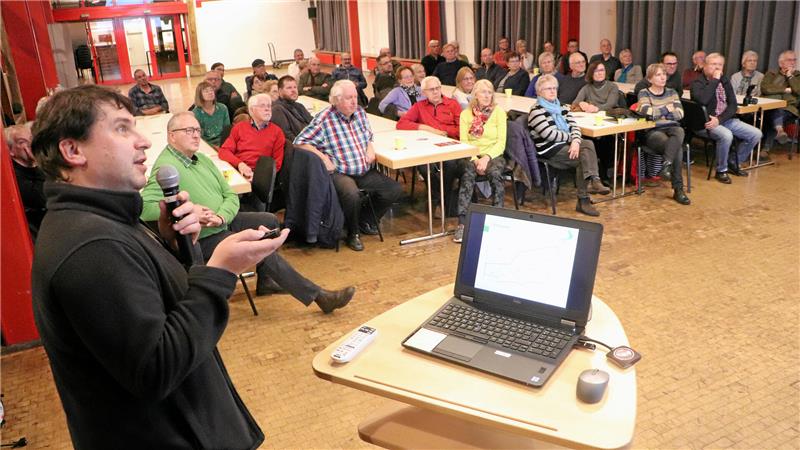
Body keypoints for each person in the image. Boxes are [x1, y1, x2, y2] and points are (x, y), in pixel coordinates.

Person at [30, 85, 278, 449]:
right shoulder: (91, 247)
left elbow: (156, 307)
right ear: (73, 150)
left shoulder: (106, 222)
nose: (143, 141)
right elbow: (156, 367)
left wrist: (172, 246)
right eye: (121, 128)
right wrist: (220, 273)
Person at [142, 111, 355, 308]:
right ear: (172, 136)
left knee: (269, 220)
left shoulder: (202, 159)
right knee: (258, 248)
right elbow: (145, 209)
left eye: (197, 130)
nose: (196, 135)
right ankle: (318, 296)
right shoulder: (167, 167)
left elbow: (230, 194)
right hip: (204, 235)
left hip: (221, 222)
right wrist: (189, 212)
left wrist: (221, 217)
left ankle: (266, 281)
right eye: (189, 130)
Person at [294, 80, 403, 251]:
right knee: (351, 194)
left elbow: (368, 134)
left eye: (355, 97)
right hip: (340, 172)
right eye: (348, 98)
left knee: (393, 189)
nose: (354, 101)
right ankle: (353, 233)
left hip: (363, 169)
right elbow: (299, 142)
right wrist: (323, 158)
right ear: (336, 100)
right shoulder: (324, 119)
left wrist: (369, 148)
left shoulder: (359, 113)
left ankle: (366, 220)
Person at [528, 74, 609, 217]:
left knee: (587, 145)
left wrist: (576, 141)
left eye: (554, 88)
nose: (552, 91)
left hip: (566, 145)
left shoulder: (562, 107)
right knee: (584, 155)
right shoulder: (536, 111)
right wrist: (573, 140)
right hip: (549, 149)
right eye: (548, 89)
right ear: (539, 92)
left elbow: (575, 127)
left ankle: (593, 183)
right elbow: (549, 134)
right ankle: (586, 195)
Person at [690, 53, 762, 183]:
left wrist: (720, 119)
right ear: (705, 66)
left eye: (720, 65)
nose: (717, 68)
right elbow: (703, 100)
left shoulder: (724, 80)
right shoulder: (697, 83)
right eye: (713, 64)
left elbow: (733, 104)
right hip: (705, 123)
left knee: (756, 134)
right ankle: (721, 170)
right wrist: (715, 80)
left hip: (724, 120)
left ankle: (733, 162)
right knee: (726, 135)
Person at [397, 76, 464, 215]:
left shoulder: (452, 104)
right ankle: (439, 196)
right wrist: (425, 128)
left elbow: (461, 129)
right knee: (423, 165)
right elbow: (401, 123)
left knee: (450, 164)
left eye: (437, 88)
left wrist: (444, 131)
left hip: (451, 145)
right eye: (431, 89)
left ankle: (441, 198)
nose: (435, 92)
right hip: (428, 147)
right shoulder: (419, 106)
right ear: (424, 92)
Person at [453, 79, 507, 243]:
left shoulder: (499, 112)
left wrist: (486, 158)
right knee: (467, 174)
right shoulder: (466, 114)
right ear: (475, 94)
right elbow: (464, 142)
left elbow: (501, 143)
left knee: (495, 173)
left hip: (493, 154)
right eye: (483, 92)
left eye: (490, 92)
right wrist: (475, 159)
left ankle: (497, 218)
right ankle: (462, 223)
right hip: (471, 154)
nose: (487, 95)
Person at [218, 94, 287, 211]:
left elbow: (276, 164)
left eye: (269, 106)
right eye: (262, 106)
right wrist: (240, 164)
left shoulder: (277, 132)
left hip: (260, 177)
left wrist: (257, 177)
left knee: (256, 210)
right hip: (237, 171)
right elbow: (224, 151)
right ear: (252, 110)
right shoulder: (239, 128)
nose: (267, 109)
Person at [636, 63, 690, 205]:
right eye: (658, 75)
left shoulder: (672, 92)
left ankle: (666, 165)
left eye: (664, 74)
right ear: (650, 79)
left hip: (672, 128)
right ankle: (678, 190)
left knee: (679, 130)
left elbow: (680, 114)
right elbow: (648, 113)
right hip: (653, 130)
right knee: (677, 148)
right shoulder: (644, 93)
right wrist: (667, 109)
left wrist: (659, 113)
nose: (663, 77)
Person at [5, 123, 46, 240]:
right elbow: (42, 198)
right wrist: (37, 162)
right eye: (22, 142)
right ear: (11, 151)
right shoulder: (14, 177)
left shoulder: (35, 168)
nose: (30, 144)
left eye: (30, 139)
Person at [761, 50, 799, 148]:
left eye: (794, 60)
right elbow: (765, 88)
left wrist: (790, 76)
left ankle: (766, 148)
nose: (792, 62)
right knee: (774, 110)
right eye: (789, 60)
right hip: (770, 106)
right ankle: (779, 131)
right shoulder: (771, 74)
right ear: (781, 63)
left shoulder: (798, 76)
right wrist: (785, 90)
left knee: (776, 113)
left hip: (789, 108)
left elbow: (798, 90)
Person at [271, 75, 313, 143]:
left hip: (314, 139)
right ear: (280, 91)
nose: (293, 90)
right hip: (302, 146)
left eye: (295, 87)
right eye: (289, 88)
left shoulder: (299, 106)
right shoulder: (277, 109)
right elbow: (287, 136)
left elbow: (313, 123)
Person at [192, 80, 230, 147]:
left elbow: (227, 129)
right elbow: (199, 136)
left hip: (223, 142)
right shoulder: (196, 113)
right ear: (200, 95)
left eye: (211, 90)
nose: (210, 93)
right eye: (206, 91)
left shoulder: (223, 108)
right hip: (206, 145)